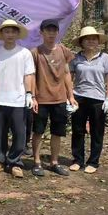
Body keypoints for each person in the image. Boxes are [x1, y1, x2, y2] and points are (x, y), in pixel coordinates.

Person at [0, 20, 35, 179]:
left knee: (19, 133)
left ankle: (15, 162)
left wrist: (29, 93)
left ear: (17, 34)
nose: (10, 35)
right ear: (2, 34)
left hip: (18, 99)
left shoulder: (25, 53)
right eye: (6, 32)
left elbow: (29, 74)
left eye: (13, 32)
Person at [30, 19, 76, 177]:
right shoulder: (35, 52)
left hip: (60, 99)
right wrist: (33, 97)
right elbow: (31, 76)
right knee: (38, 131)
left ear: (57, 32)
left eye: (54, 30)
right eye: (47, 30)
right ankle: (36, 162)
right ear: (41, 32)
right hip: (41, 100)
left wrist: (70, 95)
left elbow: (67, 73)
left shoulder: (63, 50)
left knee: (57, 132)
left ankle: (54, 162)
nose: (51, 33)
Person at [69, 26, 108, 174]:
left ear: (98, 41)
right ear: (82, 42)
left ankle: (93, 161)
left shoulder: (105, 58)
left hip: (98, 99)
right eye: (87, 39)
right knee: (78, 130)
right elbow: (69, 79)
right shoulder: (76, 58)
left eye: (93, 39)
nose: (90, 41)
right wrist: (69, 96)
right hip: (79, 98)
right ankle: (78, 160)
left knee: (97, 131)